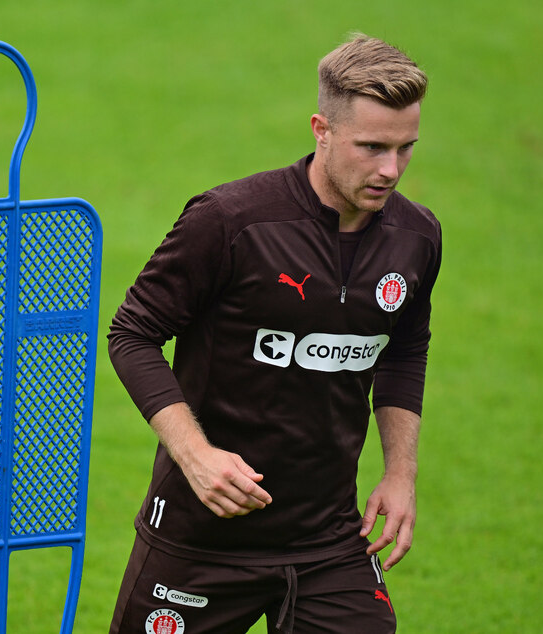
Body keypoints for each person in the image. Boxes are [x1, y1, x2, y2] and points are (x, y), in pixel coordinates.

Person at [107, 33, 441, 634]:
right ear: (322, 129)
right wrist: (196, 456)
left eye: (405, 148)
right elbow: (133, 333)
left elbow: (404, 349)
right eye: (371, 147)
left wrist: (399, 474)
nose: (390, 170)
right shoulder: (230, 222)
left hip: (331, 543)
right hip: (200, 541)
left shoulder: (416, 239)